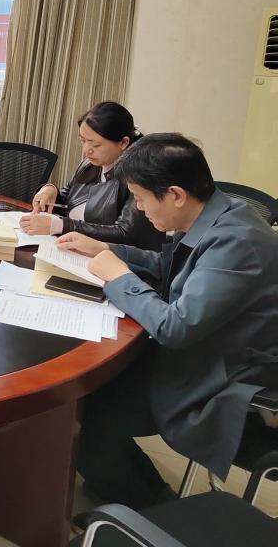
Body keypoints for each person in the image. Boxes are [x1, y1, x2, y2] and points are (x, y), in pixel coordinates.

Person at [55, 134, 278, 510]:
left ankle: (149, 509)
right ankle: (135, 490)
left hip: (221, 375)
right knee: (89, 393)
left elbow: (176, 327)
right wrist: (108, 248)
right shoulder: (220, 214)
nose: (139, 208)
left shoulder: (238, 242)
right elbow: (168, 265)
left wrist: (118, 278)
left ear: (175, 194)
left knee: (82, 411)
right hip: (202, 349)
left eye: (140, 198)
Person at [21, 101, 163, 249]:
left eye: (95, 145)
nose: (86, 150)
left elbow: (125, 234)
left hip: (115, 257)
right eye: (83, 141)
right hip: (76, 249)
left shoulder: (139, 176)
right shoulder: (89, 165)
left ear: (123, 142)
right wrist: (50, 190)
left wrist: (61, 226)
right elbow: (68, 203)